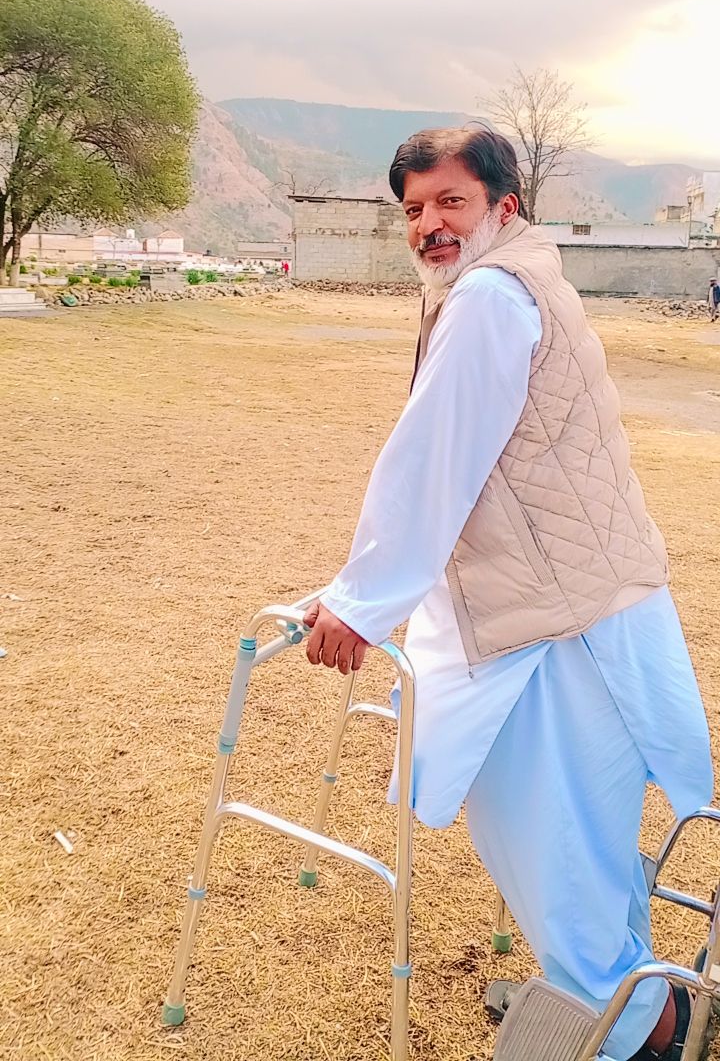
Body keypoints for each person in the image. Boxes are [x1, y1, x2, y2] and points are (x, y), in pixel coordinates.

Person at [303, 128, 713, 1061]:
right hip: (581, 601)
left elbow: (433, 461)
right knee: (584, 835)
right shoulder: (517, 274)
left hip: (551, 625)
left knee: (553, 842)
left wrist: (360, 603)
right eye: (414, 209)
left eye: (450, 201)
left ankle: (635, 1030)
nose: (429, 224)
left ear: (502, 205)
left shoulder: (489, 296)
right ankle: (636, 1002)